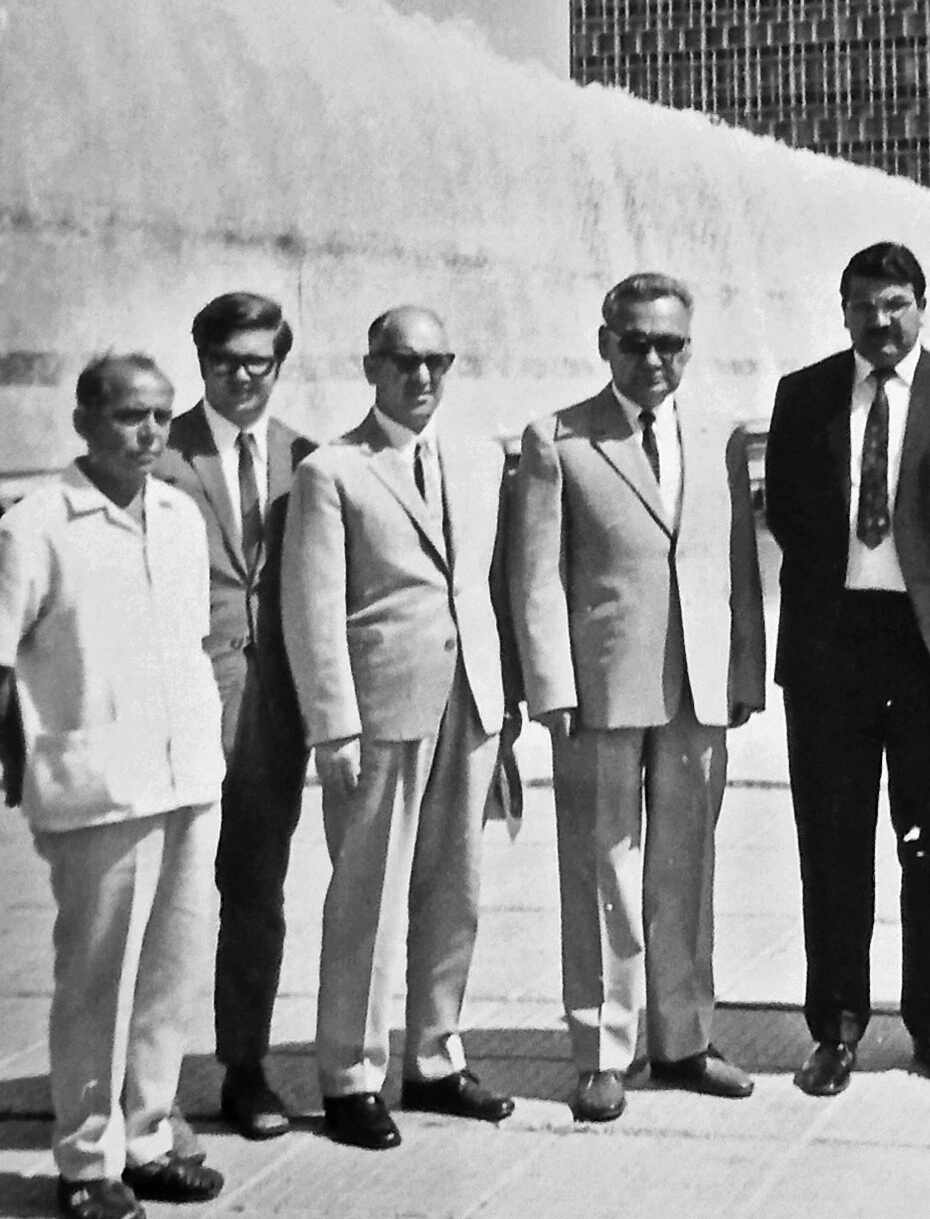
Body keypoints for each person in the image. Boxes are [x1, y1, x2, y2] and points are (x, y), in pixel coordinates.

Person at [762, 242, 930, 1097]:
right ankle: (835, 1030)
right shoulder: (803, 397)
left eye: (896, 303)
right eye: (864, 305)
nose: (881, 320)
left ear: (922, 306)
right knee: (833, 845)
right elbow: (790, 514)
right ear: (843, 311)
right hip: (832, 644)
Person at [508, 272, 765, 1124]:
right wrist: (550, 684)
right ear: (605, 343)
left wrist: (744, 671)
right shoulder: (559, 437)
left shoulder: (721, 436)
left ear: (689, 347)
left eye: (670, 343)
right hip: (601, 688)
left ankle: (684, 1038)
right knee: (601, 869)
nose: (654, 358)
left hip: (698, 684)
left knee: (686, 867)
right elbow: (536, 576)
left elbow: (737, 567)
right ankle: (602, 1051)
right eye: (636, 342)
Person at [282, 305, 520, 1150]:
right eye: (405, 361)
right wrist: (333, 727)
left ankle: (434, 1058)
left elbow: (490, 585)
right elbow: (312, 611)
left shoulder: (479, 458)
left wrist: (507, 701)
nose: (422, 377)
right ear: (372, 368)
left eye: (437, 362)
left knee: (456, 891)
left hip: (470, 699)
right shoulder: (332, 471)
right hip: (381, 710)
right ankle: (350, 1074)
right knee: (369, 899)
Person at [0, 355, 226, 1219]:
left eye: (163, 414)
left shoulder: (177, 515)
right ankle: (87, 1159)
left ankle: (150, 1135)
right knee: (97, 982)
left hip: (186, 776)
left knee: (171, 971)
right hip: (98, 787)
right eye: (131, 414)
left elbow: (193, 642)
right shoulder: (35, 524)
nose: (151, 431)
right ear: (84, 420)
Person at [154, 291, 316, 1141]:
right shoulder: (160, 453)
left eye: (260, 361)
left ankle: (244, 1068)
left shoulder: (306, 458)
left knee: (255, 895)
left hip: (273, 714)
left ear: (279, 364)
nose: (244, 376)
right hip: (179, 703)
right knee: (165, 902)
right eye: (227, 361)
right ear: (202, 361)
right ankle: (145, 1083)